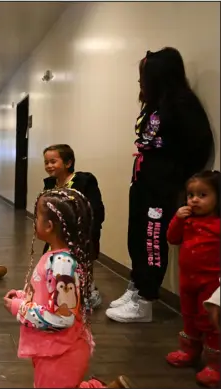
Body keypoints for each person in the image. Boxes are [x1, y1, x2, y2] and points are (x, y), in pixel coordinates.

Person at [106, 47, 214, 323]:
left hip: (161, 189)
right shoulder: (155, 106)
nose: (140, 83)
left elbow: (199, 148)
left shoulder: (182, 104)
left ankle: (146, 300)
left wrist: (176, 178)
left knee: (152, 240)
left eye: (144, 76)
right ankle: (137, 285)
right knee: (136, 237)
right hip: (143, 183)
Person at [3, 188, 131, 388]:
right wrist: (23, 296)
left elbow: (62, 317)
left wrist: (19, 307)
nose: (34, 221)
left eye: (36, 216)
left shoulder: (62, 264)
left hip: (61, 353)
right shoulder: (56, 257)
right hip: (53, 348)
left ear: (49, 226)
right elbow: (51, 297)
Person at [164, 170, 220, 387]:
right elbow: (172, 238)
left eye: (203, 195)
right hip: (188, 281)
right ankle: (189, 352)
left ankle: (215, 364)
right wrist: (177, 219)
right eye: (191, 195)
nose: (194, 200)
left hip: (212, 284)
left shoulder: (218, 224)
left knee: (210, 322)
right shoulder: (187, 221)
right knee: (189, 316)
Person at [43, 144, 105, 310]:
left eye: (53, 161)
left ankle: (89, 291)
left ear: (68, 163)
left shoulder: (84, 182)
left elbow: (95, 210)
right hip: (57, 234)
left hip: (80, 234)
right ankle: (59, 290)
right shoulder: (50, 184)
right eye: (46, 162)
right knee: (55, 265)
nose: (49, 166)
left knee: (80, 265)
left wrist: (86, 233)